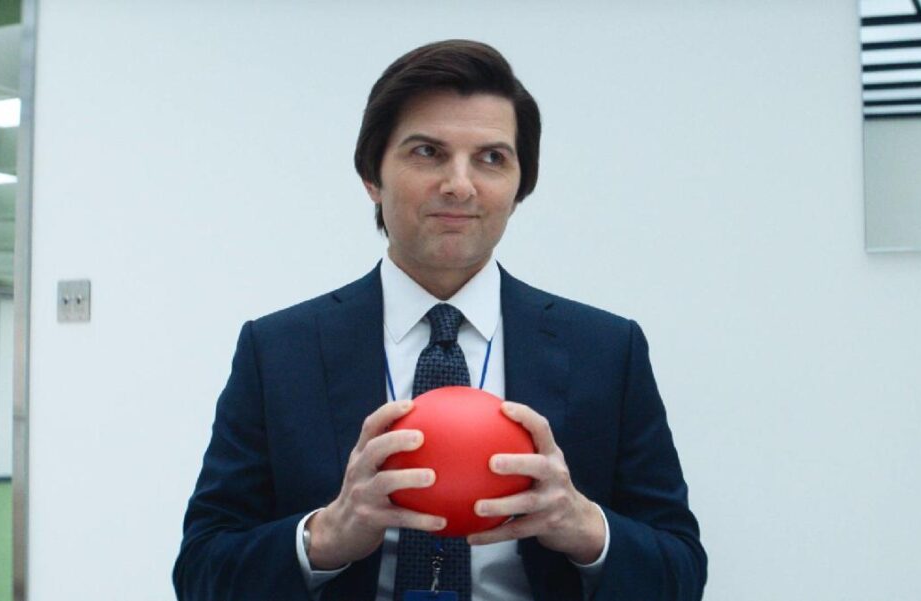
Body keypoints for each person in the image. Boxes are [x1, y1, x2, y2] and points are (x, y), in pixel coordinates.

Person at [173, 39, 707, 601]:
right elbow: (201, 574)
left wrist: (584, 527)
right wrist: (324, 537)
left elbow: (680, 573)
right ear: (372, 176)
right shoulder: (278, 351)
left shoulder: (607, 349)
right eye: (428, 152)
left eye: (492, 158)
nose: (460, 184)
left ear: (519, 187)